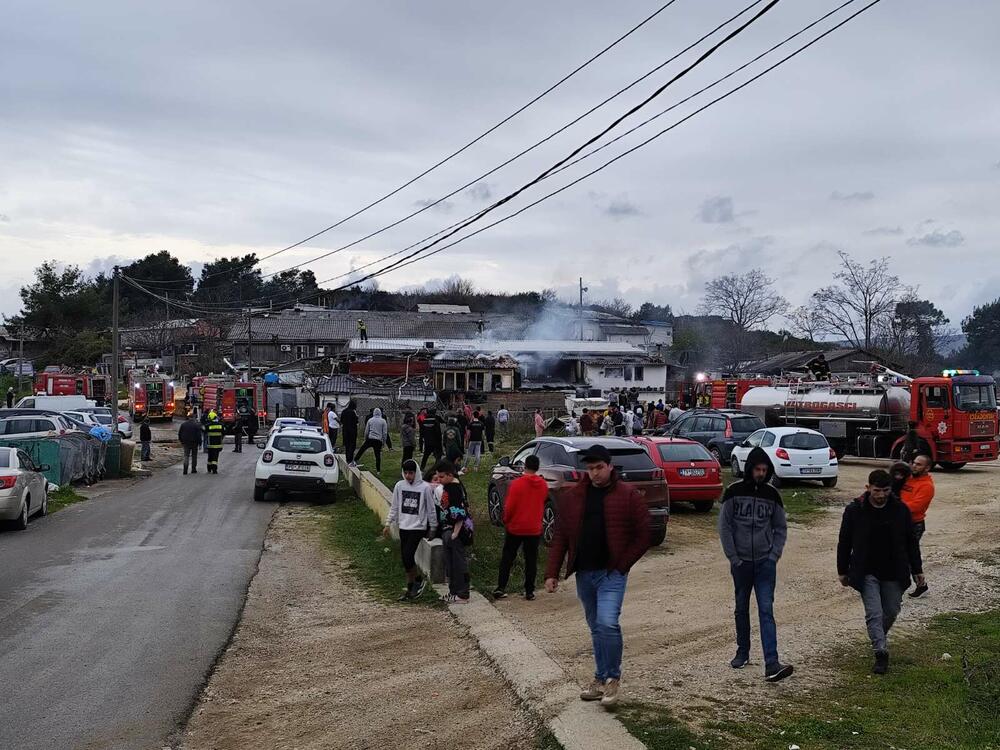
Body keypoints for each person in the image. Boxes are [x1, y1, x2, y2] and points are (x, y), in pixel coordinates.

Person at [543, 444, 651, 709]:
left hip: (611, 573)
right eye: (590, 468)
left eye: (599, 467)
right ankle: (600, 678)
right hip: (585, 573)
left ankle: (613, 678)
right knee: (596, 627)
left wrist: (623, 565)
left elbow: (644, 534)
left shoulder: (627, 495)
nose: (594, 473)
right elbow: (561, 536)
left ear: (609, 466)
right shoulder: (574, 496)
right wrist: (552, 572)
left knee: (607, 623)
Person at [718, 447, 793, 682]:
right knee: (741, 608)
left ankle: (772, 663)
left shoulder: (772, 495)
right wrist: (734, 558)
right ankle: (743, 651)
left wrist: (773, 556)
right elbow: (724, 527)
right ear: (750, 469)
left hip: (764, 564)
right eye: (757, 469)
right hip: (741, 563)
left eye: (764, 469)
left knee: (766, 610)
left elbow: (780, 528)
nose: (761, 473)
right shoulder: (733, 492)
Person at [837, 469, 924, 675]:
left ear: (890, 489)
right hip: (865, 570)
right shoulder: (855, 510)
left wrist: (917, 570)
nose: (881, 495)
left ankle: (878, 636)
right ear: (868, 488)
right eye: (877, 490)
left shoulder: (900, 510)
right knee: (874, 613)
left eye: (885, 490)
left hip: (894, 570)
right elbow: (844, 541)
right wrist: (842, 570)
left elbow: (911, 542)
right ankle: (880, 653)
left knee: (891, 610)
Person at [494, 454, 547, 601]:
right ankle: (529, 591)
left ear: (524, 466)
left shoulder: (517, 484)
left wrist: (506, 520)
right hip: (534, 528)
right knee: (531, 560)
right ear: (537, 467)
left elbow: (510, 506)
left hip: (516, 527)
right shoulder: (543, 485)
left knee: (508, 557)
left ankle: (501, 587)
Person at [383, 459, 438, 600]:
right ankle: (411, 586)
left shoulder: (425, 488)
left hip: (418, 527)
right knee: (405, 558)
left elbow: (431, 509)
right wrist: (388, 523)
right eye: (406, 473)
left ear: (416, 472)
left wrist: (433, 526)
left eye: (411, 473)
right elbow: (395, 506)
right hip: (403, 526)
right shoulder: (399, 486)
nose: (408, 476)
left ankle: (417, 582)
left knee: (408, 555)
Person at [436, 460, 471, 603]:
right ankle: (454, 591)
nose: (439, 480)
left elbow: (459, 512)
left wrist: (455, 532)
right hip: (447, 528)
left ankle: (462, 593)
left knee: (458, 563)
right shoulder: (449, 486)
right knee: (450, 563)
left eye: (441, 477)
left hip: (456, 531)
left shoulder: (455, 488)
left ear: (450, 475)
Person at [900, 454, 935, 598]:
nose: (914, 466)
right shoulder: (908, 478)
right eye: (914, 463)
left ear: (927, 468)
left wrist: (894, 506)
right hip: (899, 522)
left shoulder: (927, 486)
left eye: (919, 464)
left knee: (908, 556)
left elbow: (915, 506)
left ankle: (920, 586)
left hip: (914, 525)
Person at [355, 407, 390, 472]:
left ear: (374, 413)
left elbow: (366, 431)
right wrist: (384, 442)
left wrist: (365, 439)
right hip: (378, 440)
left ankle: (355, 460)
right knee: (377, 455)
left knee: (362, 450)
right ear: (380, 413)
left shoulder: (370, 420)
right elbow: (385, 433)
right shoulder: (383, 421)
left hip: (370, 439)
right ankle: (378, 470)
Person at [341, 399, 359, 464]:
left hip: (345, 430)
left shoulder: (344, 411)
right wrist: (357, 417)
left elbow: (341, 420)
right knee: (352, 445)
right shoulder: (353, 412)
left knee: (347, 445)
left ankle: (347, 458)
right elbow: (356, 421)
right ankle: (350, 458)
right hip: (352, 431)